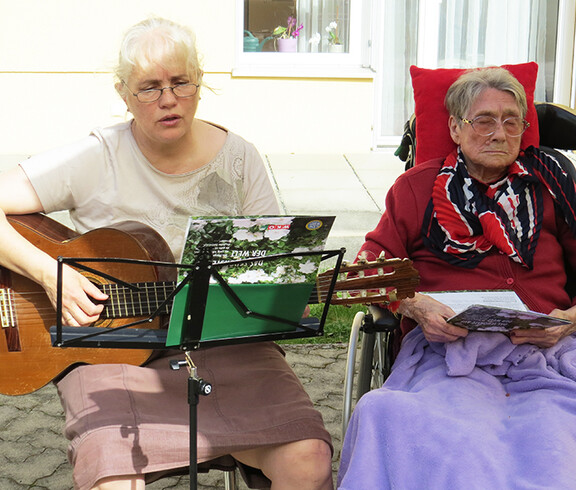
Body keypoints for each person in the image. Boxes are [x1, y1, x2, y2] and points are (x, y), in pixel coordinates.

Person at [0, 17, 334, 490]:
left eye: (180, 82)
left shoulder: (239, 159)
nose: (168, 99)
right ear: (123, 94)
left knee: (309, 461)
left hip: (224, 346)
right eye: (149, 88)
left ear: (200, 84)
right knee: (113, 482)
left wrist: (286, 294)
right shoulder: (96, 156)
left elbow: (271, 273)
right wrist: (49, 272)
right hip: (110, 349)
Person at [338, 67, 576, 489]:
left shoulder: (551, 186)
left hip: (552, 353)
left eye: (511, 121)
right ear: (454, 127)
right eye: (483, 120)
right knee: (412, 426)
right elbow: (365, 273)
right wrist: (413, 305)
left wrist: (569, 320)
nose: (498, 133)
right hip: (452, 358)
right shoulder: (416, 188)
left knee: (556, 446)